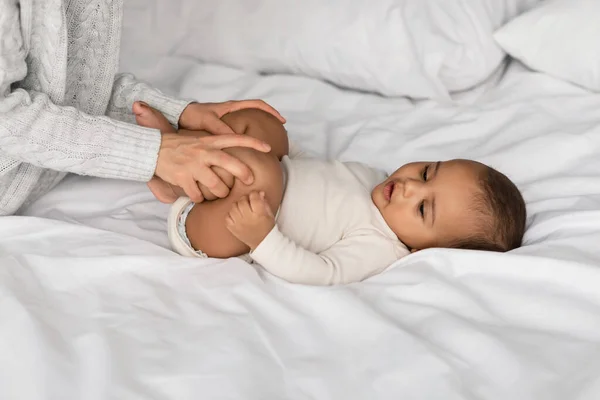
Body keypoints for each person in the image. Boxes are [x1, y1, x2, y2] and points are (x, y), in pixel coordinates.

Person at [134, 105, 527, 286]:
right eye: (426, 173)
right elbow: (309, 171)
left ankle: (174, 180)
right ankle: (174, 153)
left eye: (423, 207)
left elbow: (322, 273)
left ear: (426, 251)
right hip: (248, 187)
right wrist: (277, 148)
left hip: (222, 232)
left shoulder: (379, 247)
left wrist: (263, 238)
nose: (410, 186)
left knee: (262, 171)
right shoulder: (375, 180)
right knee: (263, 126)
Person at [0, 0, 284, 216]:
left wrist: (179, 114)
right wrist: (154, 153)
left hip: (41, 175)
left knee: (254, 125)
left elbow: (74, 85)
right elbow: (6, 119)